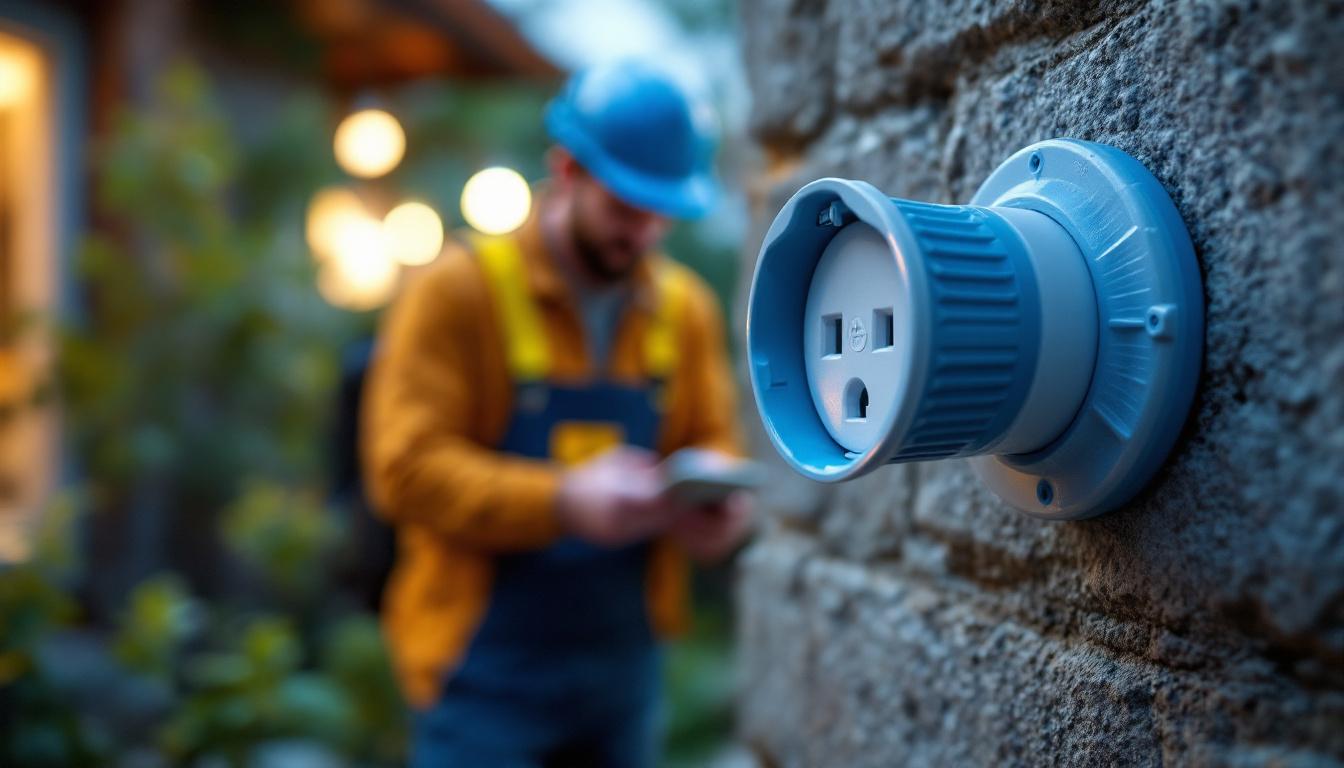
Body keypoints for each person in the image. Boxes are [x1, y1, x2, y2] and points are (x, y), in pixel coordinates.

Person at [361, 60, 753, 767]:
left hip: (624, 669)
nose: (643, 234)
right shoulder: (456, 294)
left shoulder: (685, 310)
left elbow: (711, 438)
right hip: (480, 675)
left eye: (661, 214)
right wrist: (563, 501)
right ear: (567, 170)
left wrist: (716, 503)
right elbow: (404, 471)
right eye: (625, 208)